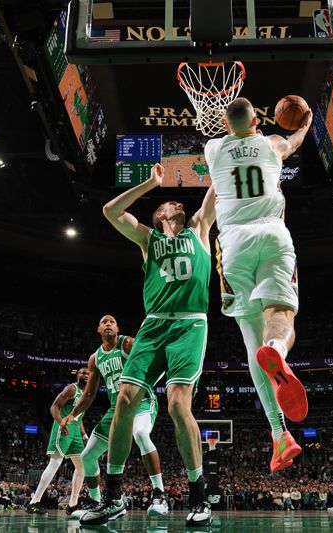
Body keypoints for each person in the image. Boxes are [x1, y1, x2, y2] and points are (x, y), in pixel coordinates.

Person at [80, 162, 215, 527]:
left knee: (176, 405)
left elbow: (218, 185)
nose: (177, 204)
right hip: (153, 326)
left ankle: (199, 497)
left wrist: (226, 154)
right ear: (158, 215)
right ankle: (113, 498)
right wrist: (149, 183)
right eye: (168, 203)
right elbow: (110, 211)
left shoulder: (199, 228)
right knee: (124, 399)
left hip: (189, 325)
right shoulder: (147, 239)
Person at [204, 97, 312, 472]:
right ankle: (278, 348)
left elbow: (215, 191)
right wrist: (302, 125)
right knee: (279, 316)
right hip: (272, 234)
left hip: (232, 246)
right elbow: (293, 142)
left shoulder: (213, 149)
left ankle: (279, 434)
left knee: (251, 344)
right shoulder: (271, 145)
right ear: (257, 120)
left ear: (223, 121)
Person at [61, 315, 168, 518]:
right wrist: (72, 415)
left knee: (141, 434)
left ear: (118, 328)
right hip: (116, 409)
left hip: (141, 401)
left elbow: (152, 360)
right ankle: (99, 501)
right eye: (104, 322)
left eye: (112, 321)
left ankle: (159, 494)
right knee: (87, 457)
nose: (108, 323)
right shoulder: (95, 358)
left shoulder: (127, 344)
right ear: (98, 329)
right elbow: (89, 394)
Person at [26, 368, 90, 516]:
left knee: (81, 466)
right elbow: (54, 407)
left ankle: (72, 504)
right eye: (82, 373)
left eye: (87, 374)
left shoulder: (87, 394)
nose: (85, 375)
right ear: (77, 375)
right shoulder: (71, 389)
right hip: (63, 426)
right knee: (55, 463)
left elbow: (79, 418)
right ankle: (34, 502)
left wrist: (85, 436)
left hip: (75, 431)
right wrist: (61, 422)